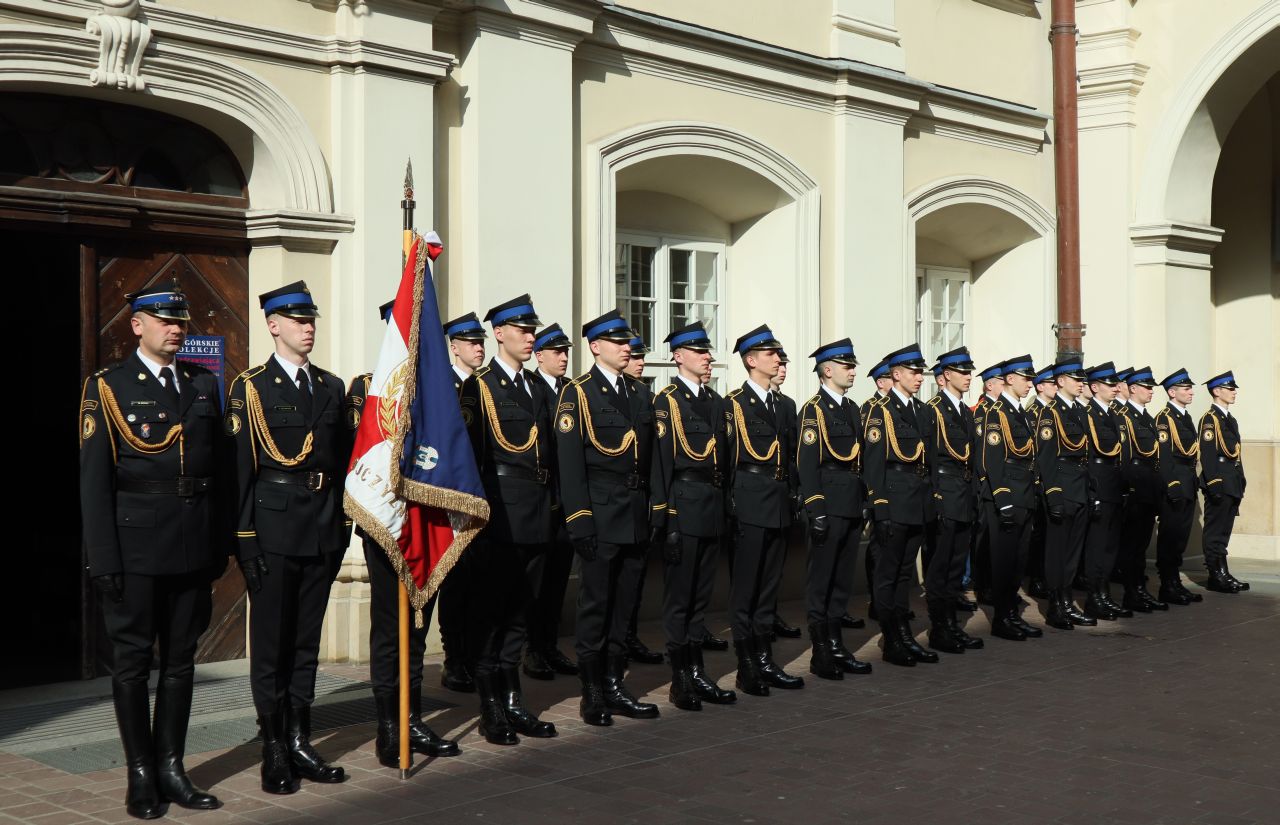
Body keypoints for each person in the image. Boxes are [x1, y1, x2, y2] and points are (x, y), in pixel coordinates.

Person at [79, 284, 225, 819]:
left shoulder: (203, 384)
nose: (176, 327)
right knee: (133, 666)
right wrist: (103, 559)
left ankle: (172, 766)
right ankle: (140, 773)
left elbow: (221, 474)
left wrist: (220, 548)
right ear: (136, 325)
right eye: (163, 319)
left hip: (191, 546)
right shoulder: (108, 386)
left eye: (180, 320)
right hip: (134, 546)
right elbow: (94, 482)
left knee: (181, 663)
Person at [228, 281, 351, 793]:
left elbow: (341, 460)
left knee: (305, 643)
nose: (309, 327)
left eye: (312, 319)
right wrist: (246, 538)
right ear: (273, 325)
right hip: (274, 528)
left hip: (322, 526)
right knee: (272, 645)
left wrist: (342, 526)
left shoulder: (331, 386)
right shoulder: (250, 387)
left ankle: (301, 737)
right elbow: (240, 472)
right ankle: (274, 745)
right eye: (297, 319)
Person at [348, 301, 459, 766]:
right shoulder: (367, 388)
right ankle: (389, 727)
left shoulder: (442, 388)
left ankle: (412, 717)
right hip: (386, 523)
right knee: (390, 631)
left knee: (418, 626)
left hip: (427, 522)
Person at [458, 295, 559, 744]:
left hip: (537, 510)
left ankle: (515, 698)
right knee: (491, 614)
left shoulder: (539, 389)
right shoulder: (478, 387)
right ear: (499, 333)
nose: (531, 336)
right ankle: (491, 706)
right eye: (522, 330)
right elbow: (470, 460)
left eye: (532, 330)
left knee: (522, 612)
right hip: (499, 514)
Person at [557, 310, 660, 726]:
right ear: (596, 346)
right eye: (618, 343)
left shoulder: (639, 393)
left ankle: (616, 683)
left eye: (628, 343)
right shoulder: (578, 394)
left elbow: (650, 459)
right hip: (599, 513)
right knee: (596, 606)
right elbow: (570, 465)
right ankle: (593, 691)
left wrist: (654, 508)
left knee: (625, 605)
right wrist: (579, 519)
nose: (626, 348)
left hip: (634, 514)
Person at [650, 321, 738, 709]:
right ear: (678, 356)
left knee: (700, 599)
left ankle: (698, 672)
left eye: (708, 352)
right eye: (700, 352)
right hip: (682, 506)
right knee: (680, 599)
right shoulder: (667, 401)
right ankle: (680, 678)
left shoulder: (714, 402)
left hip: (710, 505)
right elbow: (662, 466)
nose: (708, 358)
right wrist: (667, 518)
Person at [724, 325, 805, 694]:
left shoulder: (785, 405)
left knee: (769, 588)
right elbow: (725, 462)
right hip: (748, 501)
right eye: (770, 354)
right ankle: (746, 665)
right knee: (746, 590)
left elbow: (790, 457)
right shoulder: (733, 404)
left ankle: (764, 658)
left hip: (777, 503)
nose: (778, 359)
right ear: (751, 361)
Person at [796, 339, 873, 679]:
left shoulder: (851, 409)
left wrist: (866, 501)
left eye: (853, 365)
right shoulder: (814, 410)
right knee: (821, 582)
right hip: (828, 503)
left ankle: (837, 645)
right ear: (828, 370)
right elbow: (807, 464)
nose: (853, 371)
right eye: (847, 366)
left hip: (851, 504)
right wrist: (816, 509)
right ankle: (821, 652)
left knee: (842, 581)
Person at [862, 344, 938, 666]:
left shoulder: (922, 411)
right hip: (893, 499)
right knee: (887, 573)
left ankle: (904, 633)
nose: (920, 377)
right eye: (913, 372)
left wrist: (933, 500)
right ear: (895, 375)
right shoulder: (881, 411)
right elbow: (873, 463)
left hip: (917, 500)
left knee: (905, 573)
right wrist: (879, 506)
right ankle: (891, 637)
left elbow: (930, 461)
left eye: (921, 372)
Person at [522, 323, 580, 680]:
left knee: (558, 579)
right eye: (557, 352)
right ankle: (532, 650)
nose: (564, 357)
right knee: (536, 582)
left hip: (565, 502)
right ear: (539, 355)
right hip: (541, 500)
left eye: (566, 352)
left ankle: (548, 644)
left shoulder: (571, 391)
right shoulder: (531, 388)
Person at [436, 313, 487, 692]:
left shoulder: (485, 387)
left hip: (484, 498)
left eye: (481, 341)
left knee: (479, 584)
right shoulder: (442, 385)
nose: (479, 348)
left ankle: (474, 654)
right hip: (454, 500)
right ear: (453, 347)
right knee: (456, 585)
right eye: (471, 342)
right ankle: (455, 660)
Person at [921, 347, 984, 653]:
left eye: (969, 371)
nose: (968, 376)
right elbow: (929, 459)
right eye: (962, 372)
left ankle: (951, 626)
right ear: (946, 375)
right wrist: (935, 497)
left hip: (963, 491)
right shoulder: (933, 410)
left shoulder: (964, 411)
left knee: (957, 565)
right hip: (945, 491)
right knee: (940, 565)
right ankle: (939, 628)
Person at [979, 356, 1043, 641]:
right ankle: (1002, 619)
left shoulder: (1021, 413)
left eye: (1031, 379)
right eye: (1025, 378)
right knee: (1004, 561)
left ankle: (1012, 615)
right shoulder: (996, 413)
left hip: (1025, 495)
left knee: (1018, 561)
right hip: (1007, 498)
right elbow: (992, 461)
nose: (1030, 383)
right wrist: (1003, 500)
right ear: (1009, 379)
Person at [1034, 359, 1097, 630]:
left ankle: (1068, 601)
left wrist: (1091, 492)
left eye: (1081, 378)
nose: (1081, 383)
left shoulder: (1079, 413)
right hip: (1062, 489)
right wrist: (1053, 494)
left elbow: (1085, 457)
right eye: (1075, 378)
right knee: (1057, 553)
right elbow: (1046, 459)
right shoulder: (1051, 413)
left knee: (1072, 554)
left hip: (1080, 489)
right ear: (1060, 381)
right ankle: (1056, 606)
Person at [620, 336, 665, 666]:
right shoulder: (581, 394)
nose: (639, 362)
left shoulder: (644, 397)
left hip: (639, 502)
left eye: (641, 356)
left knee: (632, 583)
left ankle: (628, 637)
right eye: (634, 356)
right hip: (610, 505)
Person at [1114, 367, 1168, 612]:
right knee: (1131, 545)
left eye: (1152, 387)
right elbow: (1124, 457)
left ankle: (1140, 590)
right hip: (1135, 487)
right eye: (1147, 387)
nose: (1151, 391)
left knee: (1141, 545)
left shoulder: (1146, 417)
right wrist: (1128, 488)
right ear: (1133, 388)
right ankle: (1131, 593)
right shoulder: (1124, 417)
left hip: (1149, 488)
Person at [1081, 363, 1132, 620]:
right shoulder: (1088, 413)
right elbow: (1088, 456)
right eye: (1109, 385)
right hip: (1099, 484)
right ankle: (1093, 598)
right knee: (1097, 546)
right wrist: (1092, 492)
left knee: (1111, 546)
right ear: (1094, 387)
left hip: (1114, 483)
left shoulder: (1113, 415)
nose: (1115, 388)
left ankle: (1105, 594)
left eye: (1115, 384)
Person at [1153, 369, 1203, 606]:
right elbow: (1163, 456)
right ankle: (1167, 584)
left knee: (1181, 537)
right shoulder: (1165, 418)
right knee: (1170, 537)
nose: (1191, 392)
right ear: (1172, 392)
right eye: (1186, 389)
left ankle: (1175, 583)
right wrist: (1171, 484)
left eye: (1190, 388)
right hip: (1175, 483)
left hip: (1187, 482)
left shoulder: (1184, 417)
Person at [1198, 371, 1250, 593]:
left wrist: (1241, 480)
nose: (1234, 392)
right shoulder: (1210, 419)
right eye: (1230, 389)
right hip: (1219, 482)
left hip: (1232, 481)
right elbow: (1208, 455)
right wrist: (1214, 483)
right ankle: (1216, 575)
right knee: (1215, 531)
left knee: (1224, 531)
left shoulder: (1230, 420)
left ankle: (1223, 573)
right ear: (1217, 392)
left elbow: (1235, 453)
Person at [768, 353, 806, 640]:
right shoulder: (739, 404)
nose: (782, 370)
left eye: (784, 365)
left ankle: (771, 614)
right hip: (756, 496)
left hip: (782, 492)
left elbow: (792, 454)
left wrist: (795, 491)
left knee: (774, 567)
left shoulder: (787, 404)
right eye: (778, 364)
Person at [969, 362, 1006, 608]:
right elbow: (983, 454)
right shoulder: (982, 411)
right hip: (985, 484)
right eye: (1002, 382)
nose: (1007, 385)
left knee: (998, 540)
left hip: (1002, 482)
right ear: (990, 385)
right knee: (984, 538)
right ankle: (983, 585)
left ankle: (994, 584)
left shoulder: (1003, 410)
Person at [861, 360, 893, 621]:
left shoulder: (894, 409)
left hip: (894, 489)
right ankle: (875, 598)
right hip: (875, 488)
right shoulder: (871, 408)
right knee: (877, 548)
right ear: (881, 382)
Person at [1024, 365, 1057, 601]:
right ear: (1040, 386)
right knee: (1038, 534)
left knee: (1047, 534)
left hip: (1051, 479)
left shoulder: (1052, 411)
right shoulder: (1033, 411)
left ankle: (1045, 576)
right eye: (1052, 383)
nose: (1056, 387)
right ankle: (1036, 578)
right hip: (1037, 480)